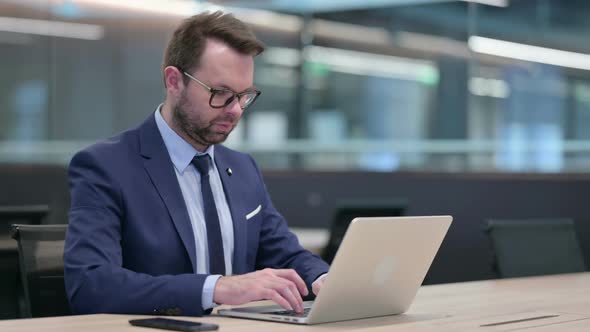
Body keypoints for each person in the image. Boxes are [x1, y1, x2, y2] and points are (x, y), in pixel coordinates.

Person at [64, 11, 329, 317]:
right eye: (221, 93)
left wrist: (324, 279)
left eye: (245, 96)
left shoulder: (242, 169)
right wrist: (215, 289)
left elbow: (284, 252)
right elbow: (90, 285)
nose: (236, 110)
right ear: (174, 81)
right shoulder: (106, 166)